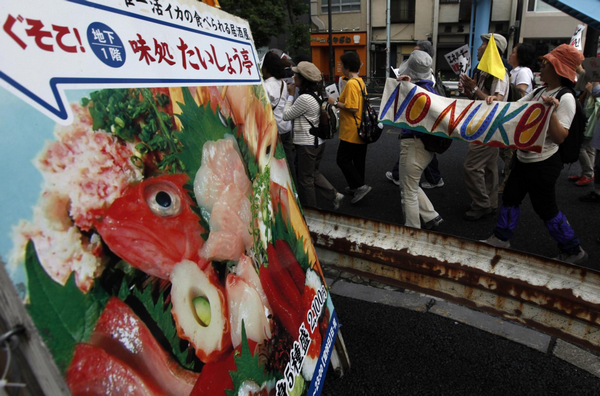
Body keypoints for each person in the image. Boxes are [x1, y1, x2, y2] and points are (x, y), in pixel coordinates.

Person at [482, 44, 587, 264]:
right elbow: (514, 108)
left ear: (558, 69)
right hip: (524, 158)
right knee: (510, 197)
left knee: (545, 208)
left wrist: (550, 112)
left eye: (547, 64)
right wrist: (493, 102)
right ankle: (502, 238)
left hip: (545, 162)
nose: (542, 67)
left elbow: (560, 137)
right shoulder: (540, 91)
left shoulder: (565, 98)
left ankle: (573, 249)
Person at [459, 33, 509, 220]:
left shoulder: (500, 73)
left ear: (491, 50)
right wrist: (470, 91)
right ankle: (491, 202)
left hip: (489, 127)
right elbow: (481, 97)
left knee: (471, 167)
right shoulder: (484, 72)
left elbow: (497, 103)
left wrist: (474, 89)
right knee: (489, 167)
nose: (479, 48)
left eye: (483, 45)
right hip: (484, 125)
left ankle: (481, 204)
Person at [282, 61, 344, 209]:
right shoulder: (315, 94)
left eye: (296, 74)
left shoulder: (304, 98)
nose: (293, 76)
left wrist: (290, 96)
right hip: (318, 142)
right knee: (313, 173)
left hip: (307, 144)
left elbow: (286, 115)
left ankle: (312, 212)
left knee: (305, 180)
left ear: (303, 78)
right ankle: (334, 194)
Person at [385, 41, 445, 190]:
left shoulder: (425, 85)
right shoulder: (427, 80)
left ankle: (423, 181)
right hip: (418, 131)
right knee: (419, 153)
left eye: (416, 52)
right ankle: (400, 175)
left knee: (409, 189)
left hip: (417, 131)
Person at [395, 51, 443, 230]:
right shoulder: (431, 89)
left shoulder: (414, 91)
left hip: (413, 143)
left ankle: (412, 231)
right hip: (427, 146)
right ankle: (431, 216)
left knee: (407, 191)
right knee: (411, 183)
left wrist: (404, 88)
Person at [327, 52, 372, 204]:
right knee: (358, 161)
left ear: (347, 66)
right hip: (361, 127)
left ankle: (359, 186)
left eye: (341, 64)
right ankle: (357, 186)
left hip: (351, 130)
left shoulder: (352, 83)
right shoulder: (359, 81)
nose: (340, 67)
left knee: (342, 159)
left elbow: (352, 107)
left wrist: (334, 102)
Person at [498, 43, 537, 192]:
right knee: (506, 150)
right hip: (511, 116)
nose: (510, 54)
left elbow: (521, 93)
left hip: (516, 116)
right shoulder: (514, 71)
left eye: (514, 52)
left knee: (508, 151)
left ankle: (509, 182)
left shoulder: (523, 71)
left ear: (521, 56)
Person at [262, 51, 294, 174]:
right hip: (285, 126)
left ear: (266, 68)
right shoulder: (282, 84)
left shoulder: (265, 86)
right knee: (288, 162)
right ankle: (294, 189)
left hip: (274, 130)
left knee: (275, 165)